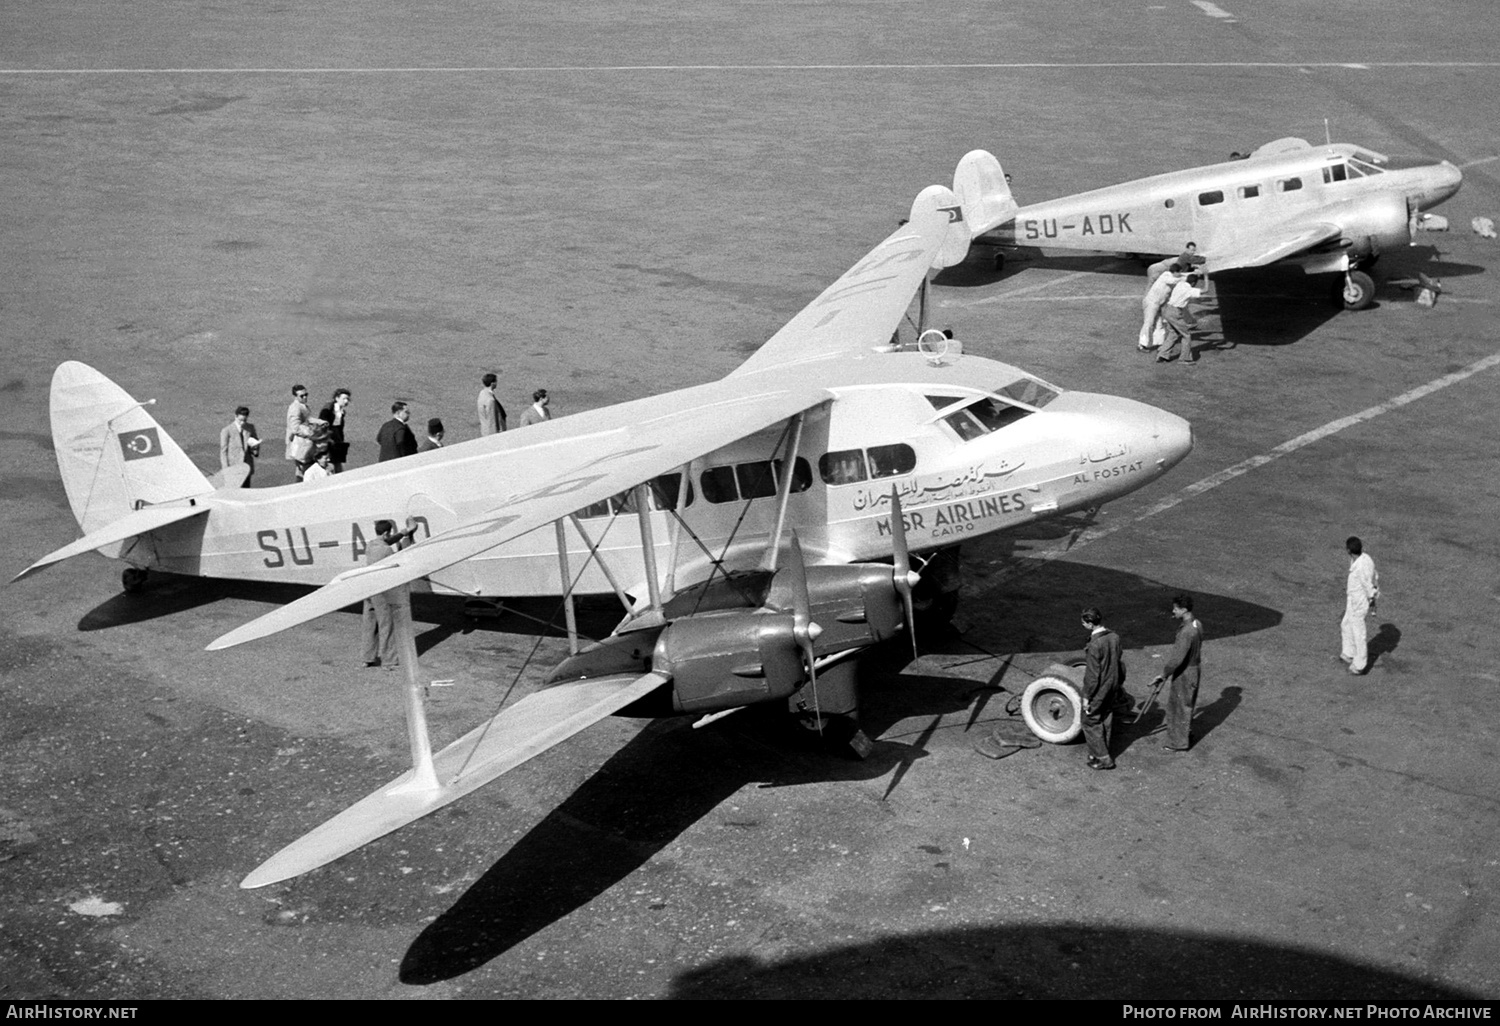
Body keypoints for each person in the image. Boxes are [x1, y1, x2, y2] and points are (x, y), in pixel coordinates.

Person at [361, 518, 420, 669]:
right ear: (387, 532)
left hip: (368, 589)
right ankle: (388, 660)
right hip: (381, 591)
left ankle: (367, 658)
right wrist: (406, 541)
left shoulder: (370, 545)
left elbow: (387, 541)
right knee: (386, 624)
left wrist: (404, 531)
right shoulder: (387, 550)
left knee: (370, 625)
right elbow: (397, 562)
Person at [1151, 595, 1203, 751]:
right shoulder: (1197, 624)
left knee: (1178, 707)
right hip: (1194, 668)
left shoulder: (1186, 632)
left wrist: (1164, 674)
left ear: (1184, 609)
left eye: (1176, 608)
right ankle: (1185, 734)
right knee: (1187, 704)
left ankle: (1177, 743)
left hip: (1185, 672)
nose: (1173, 611)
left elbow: (1176, 659)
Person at [1079, 607, 1123, 770]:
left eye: (1084, 623)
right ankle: (1097, 752)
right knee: (1106, 717)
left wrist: (1086, 697)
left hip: (1099, 689)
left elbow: (1092, 676)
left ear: (1090, 623)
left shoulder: (1094, 645)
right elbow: (1119, 660)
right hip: (1113, 684)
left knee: (1089, 720)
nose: (1083, 625)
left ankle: (1104, 758)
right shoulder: (1114, 636)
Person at [1342, 536, 1380, 675]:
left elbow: (1368, 584)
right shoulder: (1363, 559)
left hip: (1359, 601)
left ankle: (1360, 665)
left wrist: (1372, 601)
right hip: (1352, 598)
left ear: (1348, 550)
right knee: (1346, 624)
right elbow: (1375, 576)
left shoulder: (1362, 566)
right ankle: (1349, 653)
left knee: (1359, 632)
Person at [1158, 273, 1206, 363]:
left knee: (1173, 334)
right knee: (1186, 335)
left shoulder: (1180, 284)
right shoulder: (1189, 290)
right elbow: (1205, 290)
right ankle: (1184, 358)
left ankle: (1162, 355)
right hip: (1175, 312)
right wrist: (1206, 276)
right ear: (1193, 283)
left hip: (1167, 310)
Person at [1139, 262, 1185, 351]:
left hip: (1159, 303)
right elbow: (1174, 280)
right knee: (1149, 323)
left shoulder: (1173, 275)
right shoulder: (1166, 276)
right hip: (1151, 303)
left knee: (1159, 324)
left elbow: (1181, 275)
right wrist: (1185, 278)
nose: (1180, 274)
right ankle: (1142, 345)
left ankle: (1158, 343)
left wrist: (1194, 273)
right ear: (1175, 272)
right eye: (1179, 272)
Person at [218, 406, 260, 487]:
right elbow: (223, 451)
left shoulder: (250, 427)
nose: (242, 423)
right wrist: (225, 469)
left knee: (246, 490)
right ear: (235, 416)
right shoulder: (227, 430)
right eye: (240, 420)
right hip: (233, 466)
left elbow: (255, 441)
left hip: (246, 465)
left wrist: (255, 448)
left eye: (244, 420)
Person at [284, 384, 317, 481]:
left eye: (306, 394)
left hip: (303, 444)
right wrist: (311, 433)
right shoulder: (295, 408)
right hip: (300, 444)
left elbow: (307, 420)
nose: (305, 397)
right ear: (295, 396)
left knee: (302, 471)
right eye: (301, 396)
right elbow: (295, 428)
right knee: (305, 470)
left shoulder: (302, 406)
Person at [318, 388, 351, 472]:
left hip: (337, 440)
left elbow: (339, 428)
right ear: (337, 398)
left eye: (347, 399)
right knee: (330, 463)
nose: (346, 401)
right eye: (344, 398)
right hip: (328, 440)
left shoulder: (341, 412)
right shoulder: (328, 408)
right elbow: (322, 422)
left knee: (337, 463)